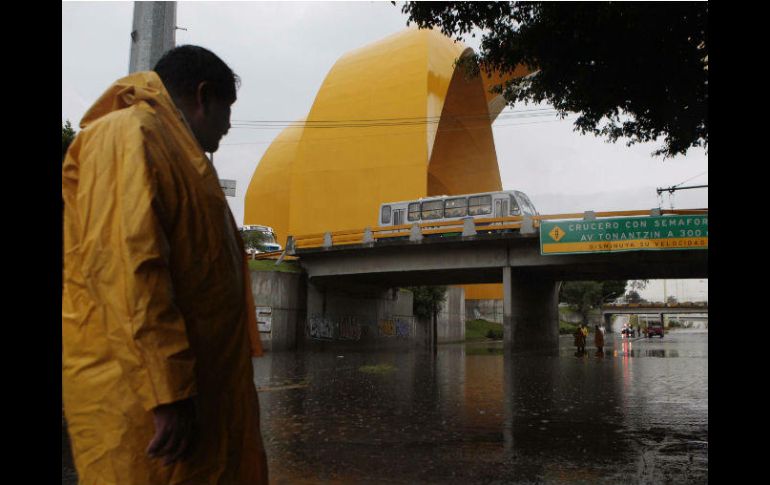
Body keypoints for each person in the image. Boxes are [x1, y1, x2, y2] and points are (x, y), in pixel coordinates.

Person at [62, 45, 268, 484]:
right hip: (145, 412)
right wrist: (165, 393)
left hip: (198, 406)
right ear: (203, 95)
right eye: (226, 111)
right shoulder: (128, 135)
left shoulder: (182, 157)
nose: (228, 125)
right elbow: (127, 268)